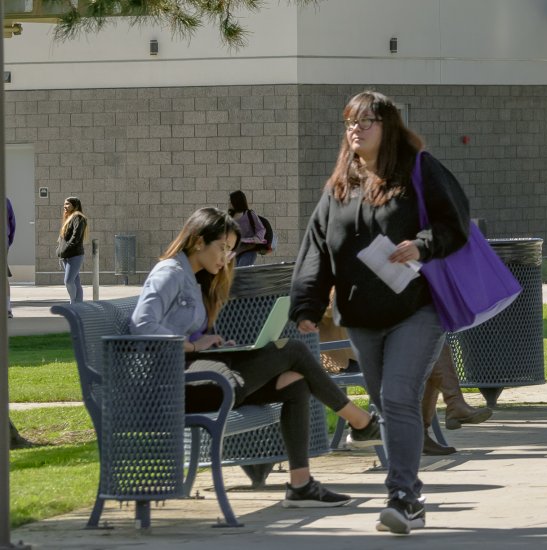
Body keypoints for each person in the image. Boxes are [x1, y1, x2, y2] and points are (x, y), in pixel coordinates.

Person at [291, 90, 475, 534]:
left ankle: (402, 497)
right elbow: (317, 248)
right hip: (362, 315)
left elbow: (456, 223)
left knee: (397, 396)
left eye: (368, 120)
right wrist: (307, 305)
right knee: (386, 404)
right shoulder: (339, 187)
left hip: (417, 308)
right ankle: (409, 495)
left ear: (388, 126)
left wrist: (423, 244)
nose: (357, 128)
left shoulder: (418, 170)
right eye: (351, 121)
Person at [134, 208, 382, 509]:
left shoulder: (196, 279)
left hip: (198, 378)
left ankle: (301, 485)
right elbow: (143, 325)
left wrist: (210, 343)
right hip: (171, 387)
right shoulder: (170, 272)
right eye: (223, 247)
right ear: (199, 241)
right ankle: (361, 423)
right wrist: (193, 346)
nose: (227, 257)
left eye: (231, 250)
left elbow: (178, 331)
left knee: (295, 383)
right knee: (292, 349)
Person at [229, 191, 274, 267]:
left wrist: (256, 239)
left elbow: (261, 229)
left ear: (236, 202)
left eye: (231, 201)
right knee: (234, 275)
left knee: (242, 273)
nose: (229, 203)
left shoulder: (249, 214)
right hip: (236, 251)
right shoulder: (230, 217)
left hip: (249, 249)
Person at [57, 197, 87, 303]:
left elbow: (76, 237)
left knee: (68, 281)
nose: (65, 206)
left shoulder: (78, 218)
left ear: (75, 205)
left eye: (68, 204)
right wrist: (60, 251)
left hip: (74, 255)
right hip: (66, 255)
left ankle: (73, 303)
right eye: (64, 204)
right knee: (75, 281)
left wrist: (65, 249)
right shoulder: (69, 217)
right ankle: (79, 305)